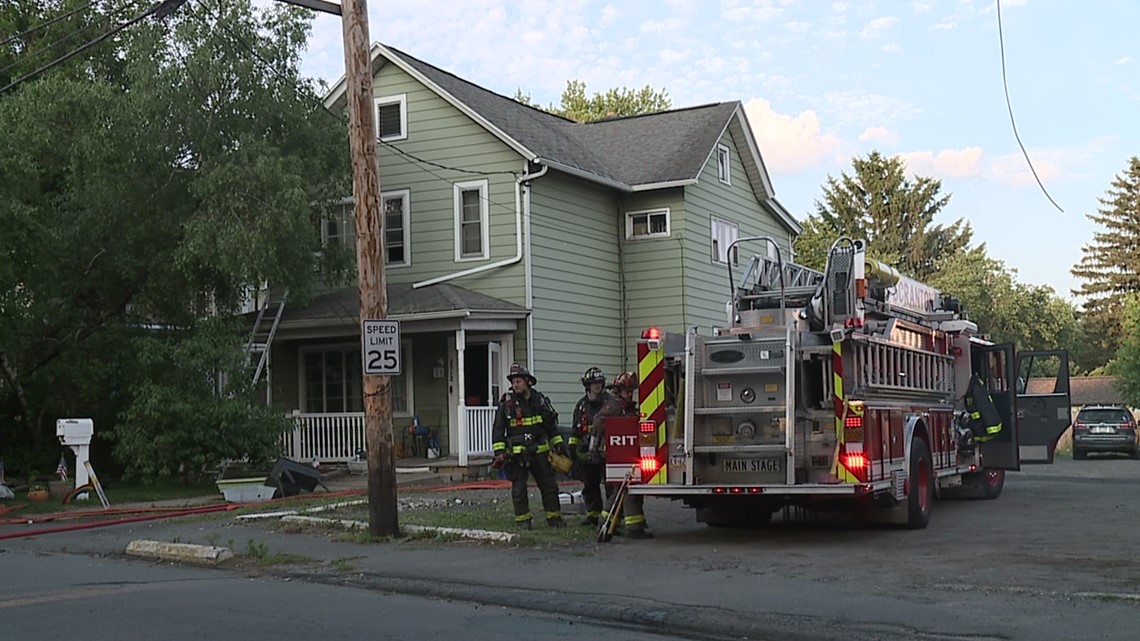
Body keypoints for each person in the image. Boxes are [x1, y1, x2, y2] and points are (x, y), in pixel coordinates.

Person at [491, 363, 568, 529]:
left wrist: (559, 444)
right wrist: (500, 451)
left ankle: (554, 519)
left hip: (540, 452)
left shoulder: (540, 401)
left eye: (518, 381)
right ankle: (523, 521)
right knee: (519, 489)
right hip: (517, 454)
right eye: (513, 382)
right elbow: (498, 429)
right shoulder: (507, 403)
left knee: (549, 486)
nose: (515, 385)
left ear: (528, 381)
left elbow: (550, 427)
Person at [595, 371, 653, 539]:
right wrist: (616, 430)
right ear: (618, 390)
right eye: (627, 391)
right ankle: (632, 528)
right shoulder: (614, 406)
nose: (630, 394)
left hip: (626, 454)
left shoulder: (627, 407)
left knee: (623, 490)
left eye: (631, 391)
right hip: (616, 454)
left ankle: (609, 522)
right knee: (626, 490)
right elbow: (598, 422)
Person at [568, 366, 611, 526]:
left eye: (599, 382)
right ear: (588, 385)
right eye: (594, 383)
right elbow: (575, 431)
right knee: (590, 485)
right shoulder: (581, 406)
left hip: (606, 452)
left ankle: (612, 517)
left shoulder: (609, 403)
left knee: (610, 486)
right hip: (587, 453)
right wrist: (573, 451)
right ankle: (593, 515)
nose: (597, 386)